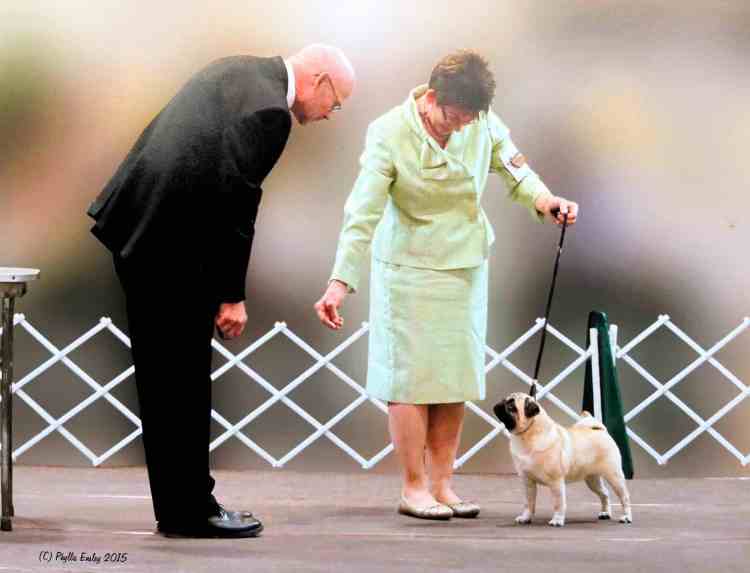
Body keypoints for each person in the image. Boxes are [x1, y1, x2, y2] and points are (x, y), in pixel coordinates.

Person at [87, 45, 355, 538]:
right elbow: (237, 202)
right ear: (319, 81)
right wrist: (232, 295)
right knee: (183, 383)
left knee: (164, 385)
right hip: (168, 250)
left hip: (138, 229)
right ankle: (191, 511)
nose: (330, 114)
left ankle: (180, 508)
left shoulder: (239, 69)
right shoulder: (272, 112)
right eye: (335, 103)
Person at [314, 50, 578, 520]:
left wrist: (546, 200)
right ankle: (414, 487)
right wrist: (340, 280)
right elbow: (362, 212)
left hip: (464, 265)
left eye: (470, 118)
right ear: (433, 97)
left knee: (454, 379)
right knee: (410, 383)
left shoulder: (482, 122)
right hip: (408, 270)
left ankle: (443, 484)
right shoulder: (388, 132)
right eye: (454, 117)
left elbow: (516, 170)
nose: (462, 126)